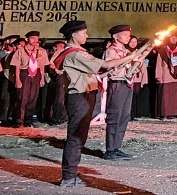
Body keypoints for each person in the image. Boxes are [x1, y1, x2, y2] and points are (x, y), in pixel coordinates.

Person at [53, 20, 149, 188]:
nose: (87, 35)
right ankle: (68, 176)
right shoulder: (75, 54)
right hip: (79, 97)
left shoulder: (78, 53)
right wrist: (130, 56)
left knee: (80, 137)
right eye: (84, 33)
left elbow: (94, 74)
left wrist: (107, 74)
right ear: (74, 34)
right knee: (76, 137)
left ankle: (71, 174)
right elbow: (105, 64)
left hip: (85, 95)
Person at [103, 24, 144, 159]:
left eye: (128, 35)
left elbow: (132, 67)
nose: (128, 37)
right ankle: (110, 149)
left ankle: (116, 146)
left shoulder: (126, 51)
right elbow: (110, 66)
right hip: (117, 84)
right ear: (115, 36)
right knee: (114, 116)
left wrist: (137, 63)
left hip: (127, 84)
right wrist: (129, 58)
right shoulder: (111, 50)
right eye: (125, 35)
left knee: (124, 116)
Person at [10, 31, 50, 127]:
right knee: (22, 97)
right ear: (27, 39)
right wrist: (17, 79)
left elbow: (42, 66)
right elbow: (17, 66)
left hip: (36, 74)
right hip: (24, 73)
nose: (35, 40)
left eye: (37, 38)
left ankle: (28, 119)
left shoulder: (41, 51)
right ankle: (19, 120)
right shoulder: (20, 51)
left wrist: (42, 78)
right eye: (32, 38)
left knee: (33, 97)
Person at [155, 34, 177, 119]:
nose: (173, 39)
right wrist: (158, 76)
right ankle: (164, 113)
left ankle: (172, 113)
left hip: (176, 77)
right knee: (165, 95)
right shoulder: (163, 50)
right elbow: (158, 64)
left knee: (175, 95)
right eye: (172, 38)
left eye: (175, 38)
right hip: (165, 75)